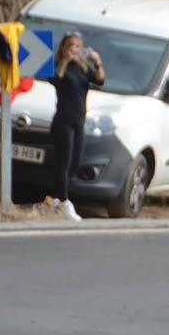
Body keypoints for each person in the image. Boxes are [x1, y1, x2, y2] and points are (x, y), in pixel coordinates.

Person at [47, 32, 105, 221]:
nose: (74, 49)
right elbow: (56, 79)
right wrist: (65, 60)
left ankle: (55, 199)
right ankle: (64, 202)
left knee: (75, 162)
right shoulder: (60, 66)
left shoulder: (82, 68)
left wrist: (97, 62)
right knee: (63, 162)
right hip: (63, 121)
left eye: (77, 46)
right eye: (70, 45)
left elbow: (100, 80)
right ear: (63, 48)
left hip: (79, 121)